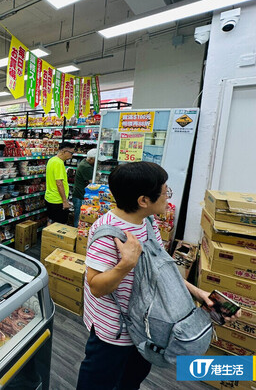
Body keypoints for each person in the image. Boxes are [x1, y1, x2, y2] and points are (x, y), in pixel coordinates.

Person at [76, 162, 235, 390]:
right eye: (164, 192)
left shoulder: (147, 223)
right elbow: (96, 287)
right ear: (143, 200)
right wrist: (126, 264)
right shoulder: (107, 234)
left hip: (145, 329)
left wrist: (198, 293)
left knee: (131, 380)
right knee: (98, 382)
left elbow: (162, 268)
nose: (167, 197)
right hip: (114, 332)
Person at [45, 142, 75, 224]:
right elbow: (59, 183)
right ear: (63, 151)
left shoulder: (52, 160)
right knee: (59, 225)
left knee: (51, 220)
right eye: (71, 153)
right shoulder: (59, 163)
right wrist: (65, 201)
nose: (72, 156)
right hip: (57, 200)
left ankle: (47, 236)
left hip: (50, 197)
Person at [72, 148, 100, 227]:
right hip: (80, 195)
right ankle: (77, 236)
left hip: (81, 194)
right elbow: (93, 182)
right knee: (79, 218)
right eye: (97, 160)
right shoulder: (86, 167)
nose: (98, 162)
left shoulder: (85, 162)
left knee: (80, 217)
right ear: (91, 159)